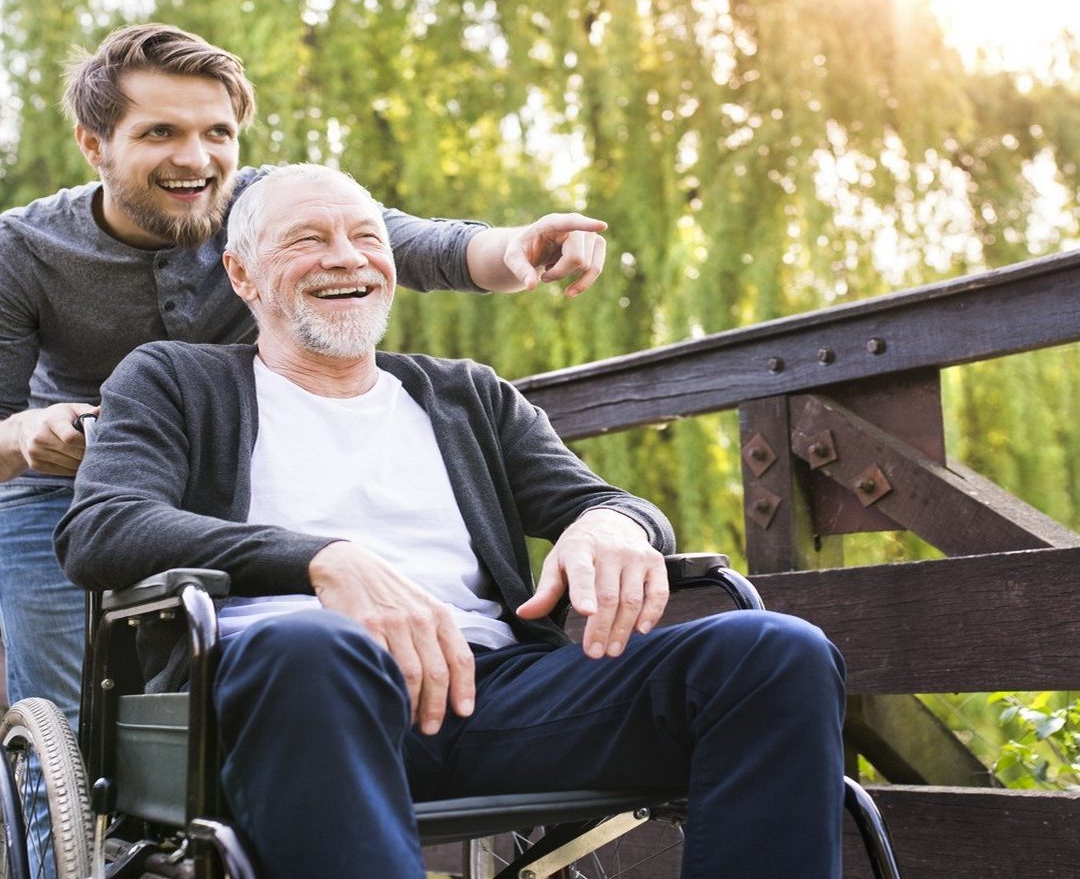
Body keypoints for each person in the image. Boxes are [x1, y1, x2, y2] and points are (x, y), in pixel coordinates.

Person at [56, 163, 846, 879]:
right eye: (309, 240)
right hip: (288, 698)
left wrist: (615, 524)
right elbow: (104, 529)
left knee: (774, 652)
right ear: (242, 274)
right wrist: (321, 560)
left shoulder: (468, 394)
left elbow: (599, 500)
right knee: (314, 642)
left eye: (367, 238)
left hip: (492, 697)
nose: (348, 257)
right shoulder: (174, 380)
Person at [0, 23, 609, 727]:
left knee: (251, 670)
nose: (194, 159)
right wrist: (26, 437)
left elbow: (416, 244)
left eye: (217, 133)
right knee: (70, 724)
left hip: (223, 481)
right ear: (93, 144)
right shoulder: (22, 249)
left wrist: (519, 247)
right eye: (160, 133)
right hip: (62, 493)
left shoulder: (271, 208)